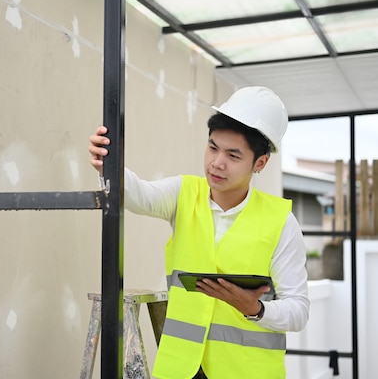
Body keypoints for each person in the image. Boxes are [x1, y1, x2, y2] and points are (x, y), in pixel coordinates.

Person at [88, 86, 309, 379]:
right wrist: (109, 164)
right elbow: (138, 193)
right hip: (180, 370)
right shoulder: (183, 194)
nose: (217, 162)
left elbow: (299, 310)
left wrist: (255, 309)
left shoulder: (281, 222)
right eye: (213, 147)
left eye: (233, 155)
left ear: (260, 163)